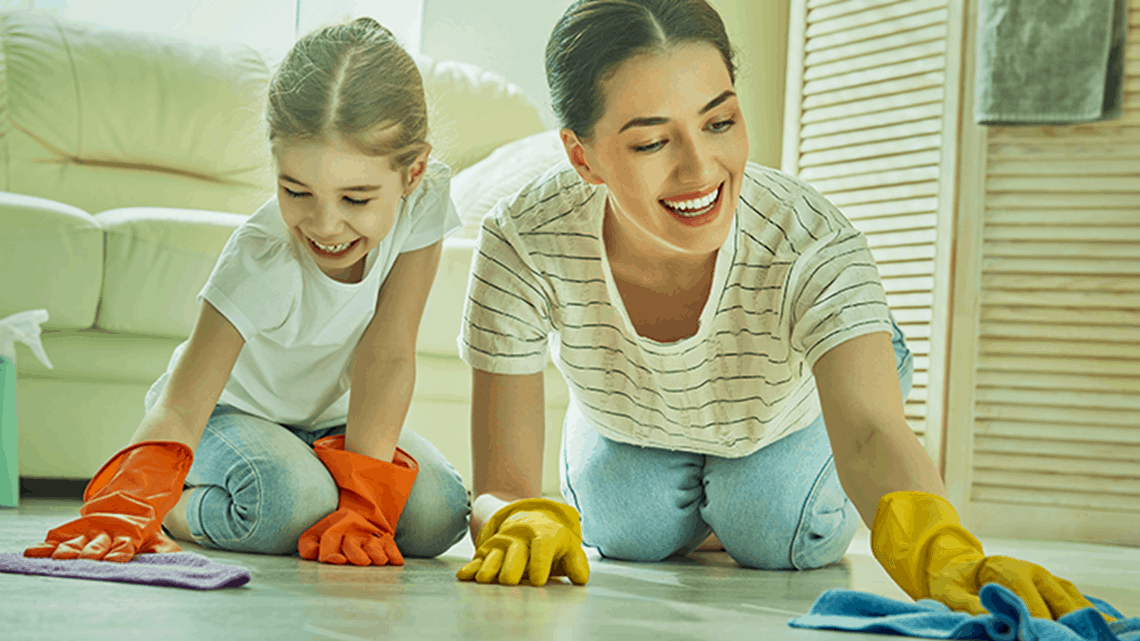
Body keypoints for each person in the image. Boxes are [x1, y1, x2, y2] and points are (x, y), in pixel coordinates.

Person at [454, 0, 1112, 624]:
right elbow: (503, 480)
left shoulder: (810, 238)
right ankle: (701, 485)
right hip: (635, 409)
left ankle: (732, 493)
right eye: (653, 142)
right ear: (582, 157)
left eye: (719, 122)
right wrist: (513, 514)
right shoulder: (525, 237)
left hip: (791, 400)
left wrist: (945, 546)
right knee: (627, 531)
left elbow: (867, 432)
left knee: (771, 527)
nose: (700, 167)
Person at [25, 17, 469, 567]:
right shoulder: (260, 256)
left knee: (441, 514)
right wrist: (130, 503)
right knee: (285, 503)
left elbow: (390, 349)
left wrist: (365, 501)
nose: (325, 225)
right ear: (276, 162)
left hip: (330, 423)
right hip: (229, 419)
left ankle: (322, 484)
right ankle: (176, 508)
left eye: (356, 199)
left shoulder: (425, 201)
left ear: (414, 172)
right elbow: (184, 402)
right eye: (296, 190)